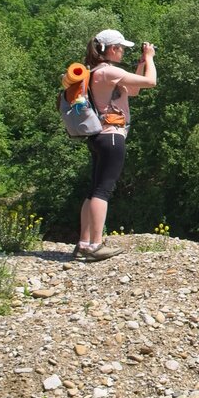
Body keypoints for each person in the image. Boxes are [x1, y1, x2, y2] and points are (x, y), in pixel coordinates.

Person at [74, 29, 157, 262]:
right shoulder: (109, 72)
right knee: (103, 191)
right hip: (112, 136)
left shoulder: (96, 73)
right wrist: (149, 58)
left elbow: (134, 91)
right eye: (121, 48)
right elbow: (151, 82)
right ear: (111, 49)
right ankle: (96, 244)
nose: (122, 52)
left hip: (98, 136)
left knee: (94, 190)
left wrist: (140, 65)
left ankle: (84, 242)